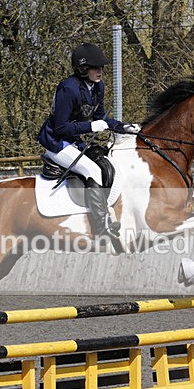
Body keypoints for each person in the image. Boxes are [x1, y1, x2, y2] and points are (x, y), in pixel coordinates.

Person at [37, 42, 125, 241]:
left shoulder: (97, 87)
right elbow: (61, 128)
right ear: (83, 69)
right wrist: (90, 127)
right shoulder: (68, 89)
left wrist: (124, 127)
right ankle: (100, 227)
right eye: (96, 67)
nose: (100, 71)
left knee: (104, 165)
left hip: (74, 141)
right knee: (91, 170)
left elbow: (101, 117)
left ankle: (108, 214)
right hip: (56, 142)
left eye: (102, 67)